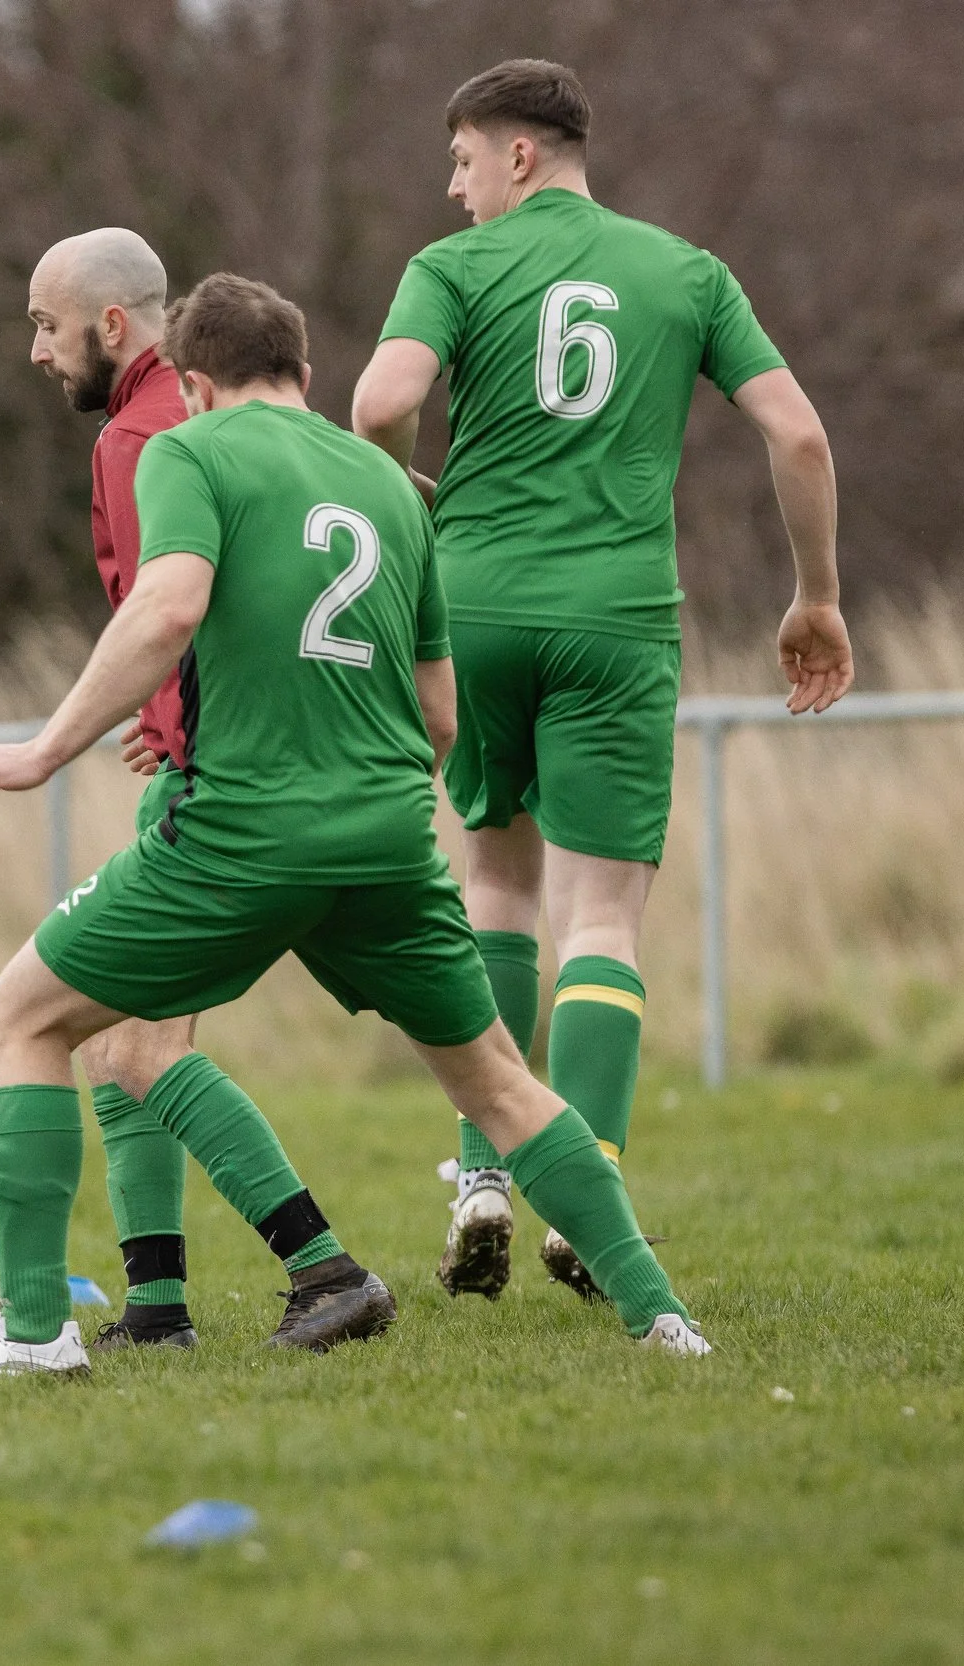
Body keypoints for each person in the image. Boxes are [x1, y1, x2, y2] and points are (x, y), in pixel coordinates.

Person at [0, 274, 709, 1382]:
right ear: (302, 370)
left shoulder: (185, 453)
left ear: (193, 384)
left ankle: (37, 1332)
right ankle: (664, 1319)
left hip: (240, 837)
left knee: (16, 1015)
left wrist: (40, 750)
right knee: (495, 1080)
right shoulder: (393, 484)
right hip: (389, 838)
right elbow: (440, 712)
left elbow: (167, 606)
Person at [351, 60, 851, 1299]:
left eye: (462, 159)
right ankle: (592, 1187)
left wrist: (419, 508)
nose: (451, 186)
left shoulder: (450, 271)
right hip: (617, 618)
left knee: (497, 886)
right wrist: (816, 596)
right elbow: (797, 431)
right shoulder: (686, 271)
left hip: (475, 610)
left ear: (519, 156)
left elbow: (376, 405)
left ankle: (481, 1169)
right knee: (605, 917)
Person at [28, 228, 360, 1354]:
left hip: (219, 788)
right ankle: (158, 1307)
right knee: (118, 1054)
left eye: (45, 325)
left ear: (111, 326)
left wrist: (174, 724)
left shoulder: (144, 436)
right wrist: (162, 710)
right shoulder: (236, 414)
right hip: (235, 759)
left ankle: (325, 1268)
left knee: (126, 1052)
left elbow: (177, 604)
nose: (34, 350)